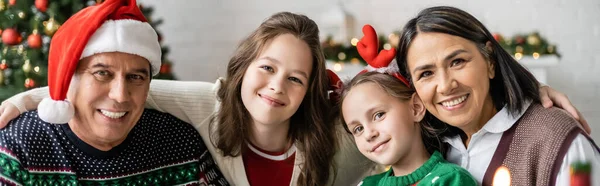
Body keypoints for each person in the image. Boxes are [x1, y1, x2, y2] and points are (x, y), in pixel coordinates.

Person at [0, 7, 590, 186]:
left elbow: (414, 111)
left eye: (297, 78)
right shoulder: (201, 105)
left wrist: (528, 89)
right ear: (240, 72)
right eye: (266, 68)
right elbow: (114, 84)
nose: (275, 87)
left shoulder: (343, 133)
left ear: (313, 91)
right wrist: (32, 99)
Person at [0, 0, 227, 185]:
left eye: (136, 77)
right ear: (68, 78)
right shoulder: (18, 147)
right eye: (102, 74)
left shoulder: (181, 143)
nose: (120, 95)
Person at [394, 6, 600, 185]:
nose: (446, 86)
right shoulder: (425, 146)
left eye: (457, 62)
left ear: (490, 60)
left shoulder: (556, 139)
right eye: (426, 74)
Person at [337, 25, 477, 186]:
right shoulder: (367, 184)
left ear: (416, 107)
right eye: (358, 129)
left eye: (378, 115)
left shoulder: (451, 179)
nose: (369, 134)